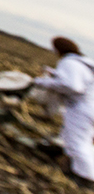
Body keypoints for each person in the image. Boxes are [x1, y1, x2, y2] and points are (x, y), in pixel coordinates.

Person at [36, 37, 94, 188]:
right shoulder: (84, 62)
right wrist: (54, 73)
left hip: (82, 109)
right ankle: (75, 169)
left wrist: (42, 82)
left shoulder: (69, 63)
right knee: (83, 142)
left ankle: (86, 180)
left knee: (78, 145)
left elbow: (73, 85)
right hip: (89, 107)